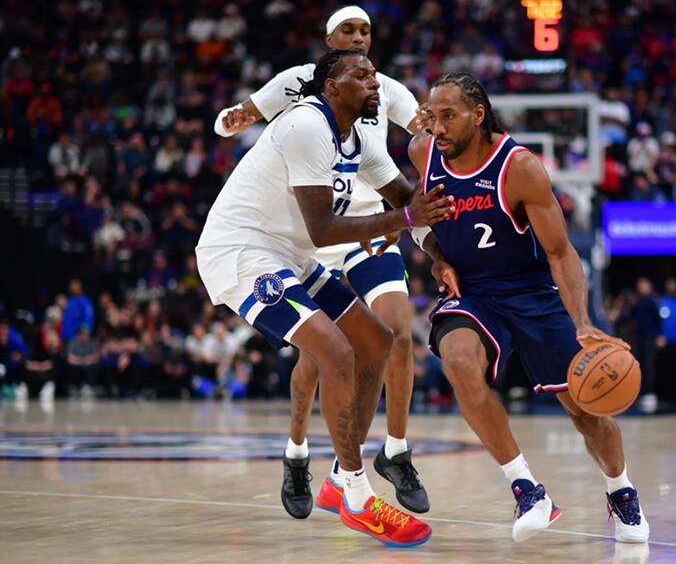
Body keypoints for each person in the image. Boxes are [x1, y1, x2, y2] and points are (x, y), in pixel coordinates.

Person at [197, 48, 454, 547]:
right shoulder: (306, 125)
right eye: (361, 75)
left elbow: (407, 200)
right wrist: (404, 220)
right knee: (334, 350)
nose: (374, 82)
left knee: (377, 341)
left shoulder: (358, 139)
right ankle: (356, 496)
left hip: (289, 254)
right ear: (331, 87)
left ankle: (340, 476)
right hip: (242, 250)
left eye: (374, 74)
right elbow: (324, 228)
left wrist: (439, 257)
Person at [407, 72, 649, 543]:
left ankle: (620, 490)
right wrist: (437, 257)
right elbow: (420, 218)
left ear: (478, 115)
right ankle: (527, 490)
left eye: (449, 116)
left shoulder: (519, 167)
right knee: (458, 361)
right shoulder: (423, 152)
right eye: (433, 116)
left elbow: (560, 252)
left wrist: (583, 323)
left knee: (586, 408)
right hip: (473, 291)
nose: (438, 127)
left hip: (531, 291)